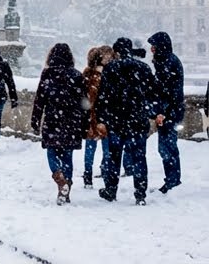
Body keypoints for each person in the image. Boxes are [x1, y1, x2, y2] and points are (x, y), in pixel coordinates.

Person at [96, 37, 159, 205]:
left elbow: (103, 97)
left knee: (114, 157)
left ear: (116, 51)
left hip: (116, 121)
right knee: (139, 157)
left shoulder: (110, 69)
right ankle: (140, 193)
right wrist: (151, 113)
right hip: (137, 120)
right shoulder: (144, 68)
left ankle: (111, 189)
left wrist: (102, 119)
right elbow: (153, 94)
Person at [30, 43, 87, 205]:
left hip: (53, 119)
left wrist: (35, 121)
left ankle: (59, 178)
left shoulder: (47, 74)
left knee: (52, 151)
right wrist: (85, 125)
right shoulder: (76, 75)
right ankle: (66, 185)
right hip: (72, 121)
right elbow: (84, 102)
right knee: (67, 155)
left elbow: (39, 100)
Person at [147, 31, 184, 194]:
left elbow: (169, 92)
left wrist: (162, 112)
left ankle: (172, 180)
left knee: (167, 147)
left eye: (153, 47)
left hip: (170, 112)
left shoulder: (168, 63)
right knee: (167, 147)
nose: (151, 50)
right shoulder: (168, 61)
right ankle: (172, 178)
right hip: (172, 111)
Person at [80, 45, 113, 188]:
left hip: (91, 116)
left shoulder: (87, 75)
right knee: (106, 150)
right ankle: (104, 172)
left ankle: (88, 175)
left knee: (90, 149)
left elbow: (86, 99)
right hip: (105, 117)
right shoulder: (107, 75)